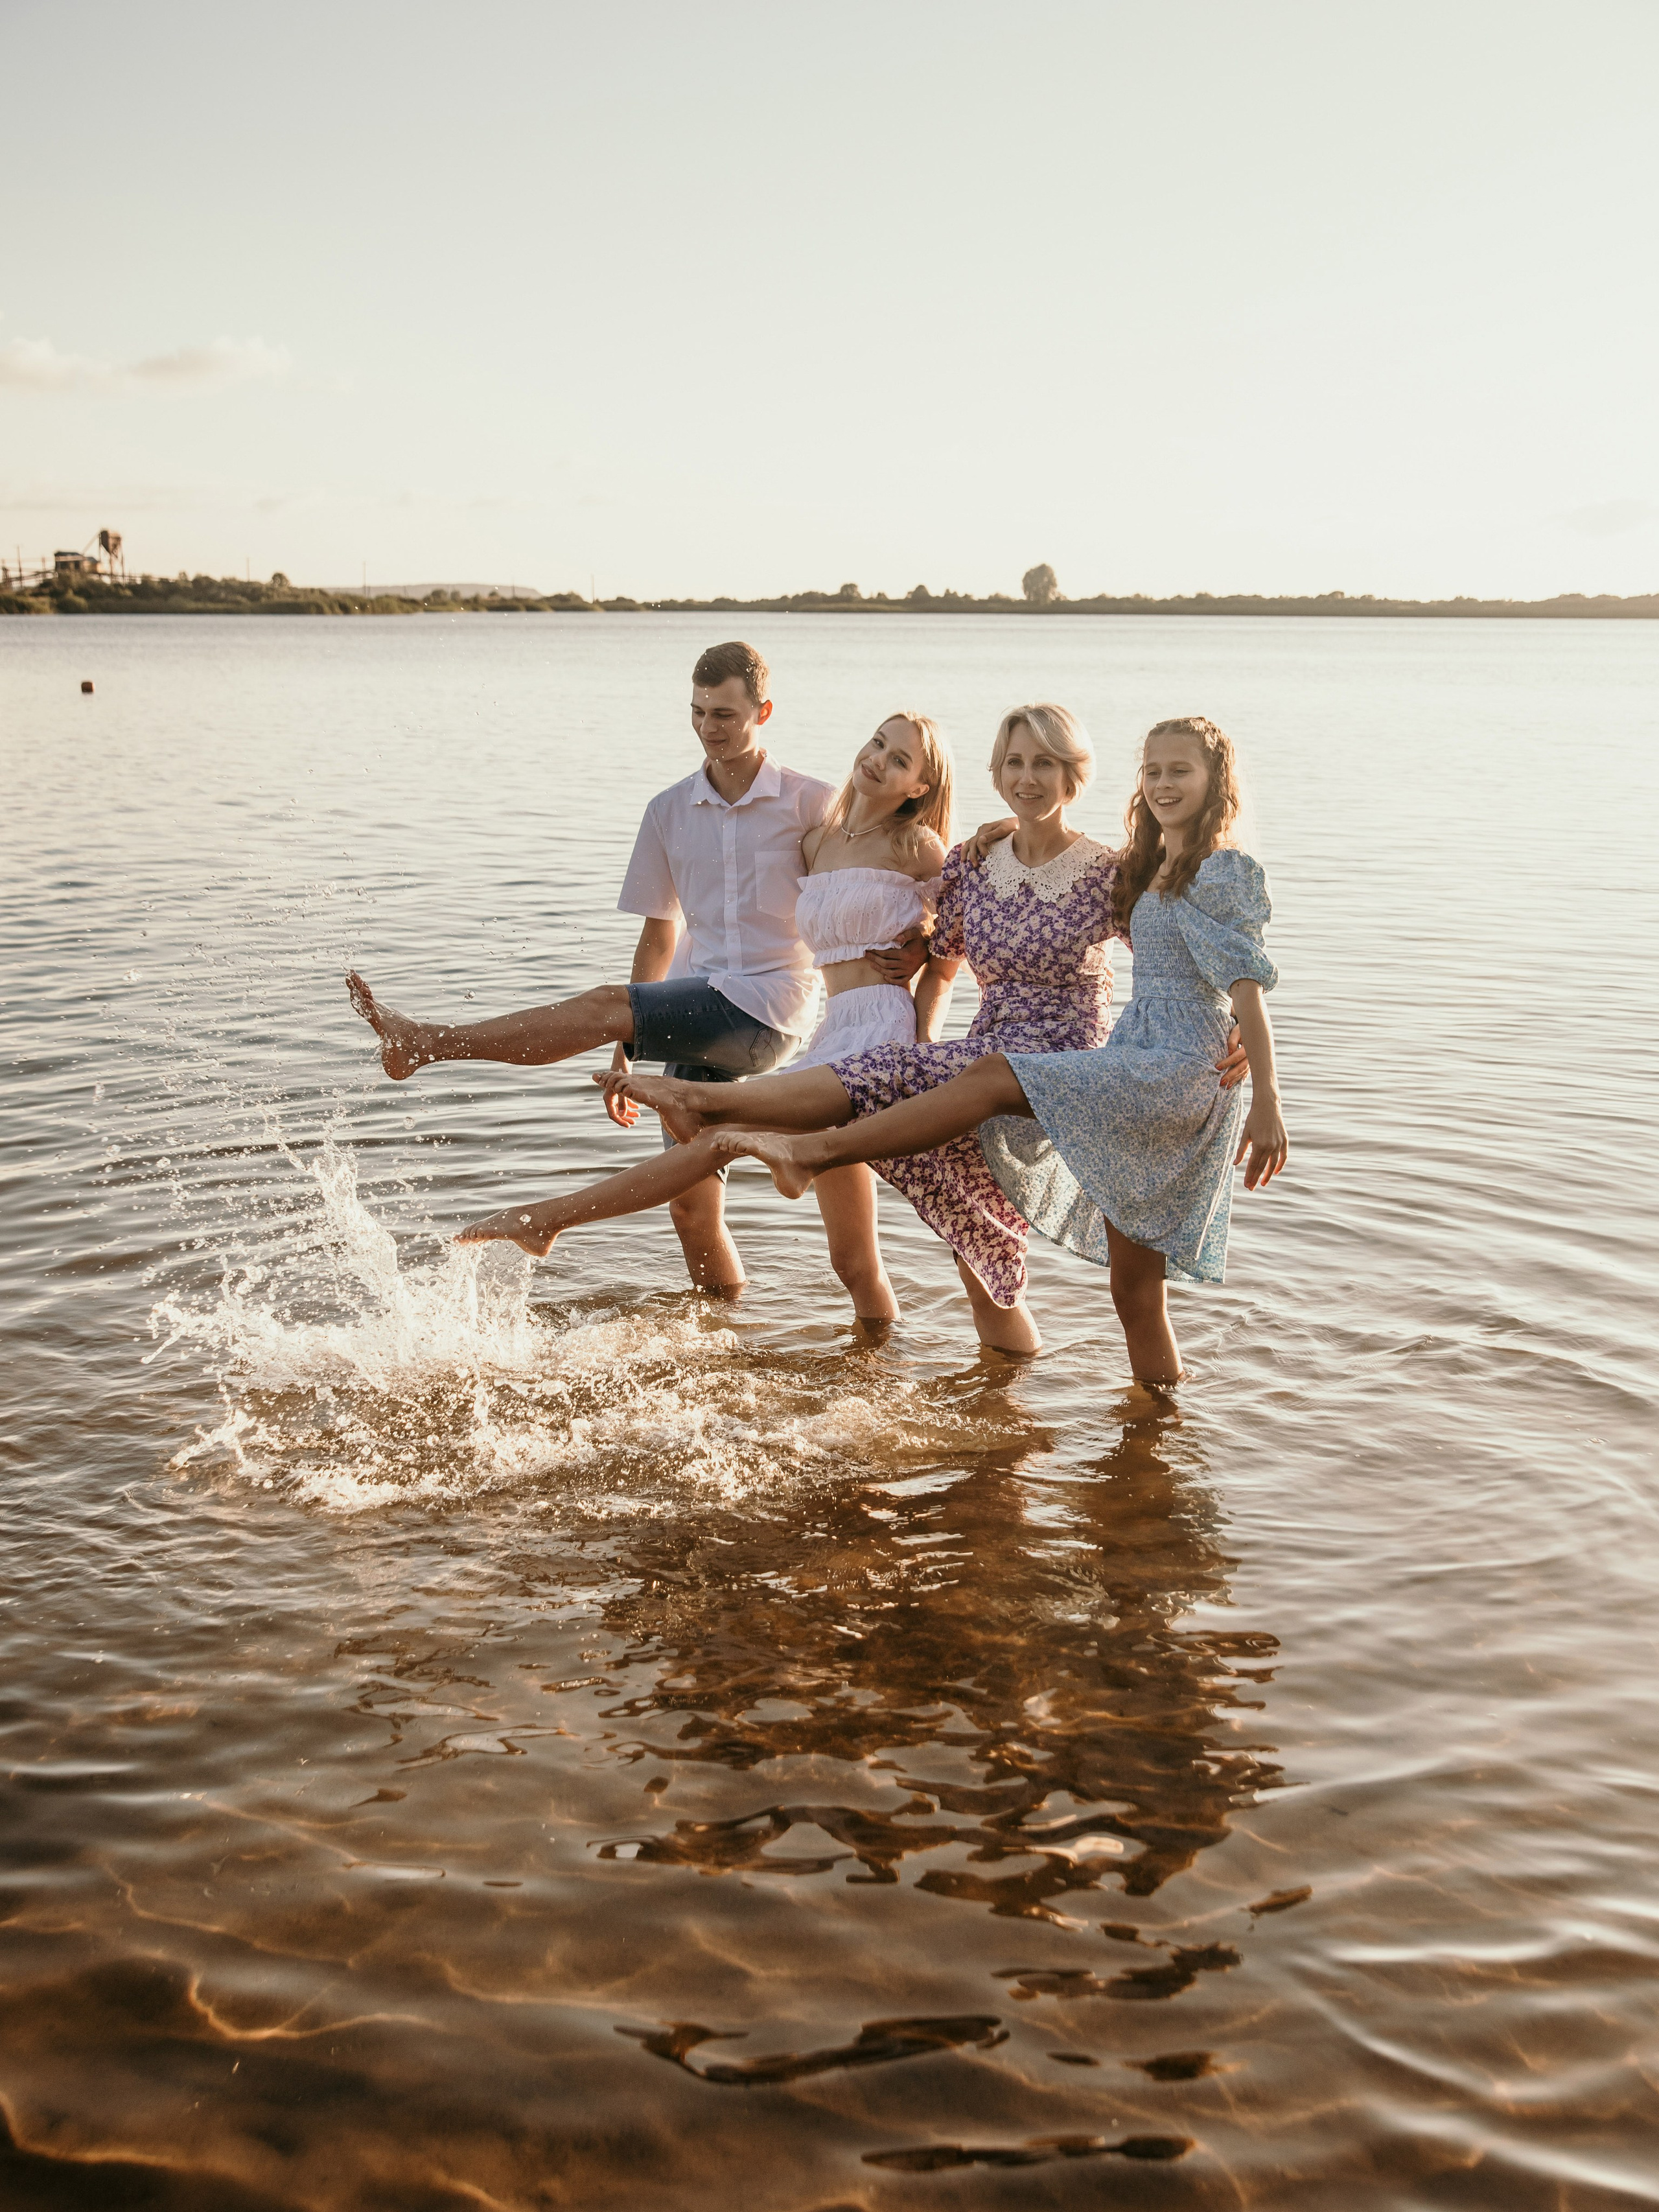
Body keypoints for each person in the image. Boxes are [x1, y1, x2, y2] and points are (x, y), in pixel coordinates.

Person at [459, 704, 1244, 1356]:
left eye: (1044, 765)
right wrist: (918, 983)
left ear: (1076, 777)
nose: (1027, 778)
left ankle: (700, 1124)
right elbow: (938, 950)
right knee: (981, 1260)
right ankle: (1001, 1399)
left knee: (755, 1144)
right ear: (996, 773)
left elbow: (1177, 954)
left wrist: (1228, 1036)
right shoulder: (973, 859)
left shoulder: (1102, 871)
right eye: (1013, 762)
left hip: (1031, 1068)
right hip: (960, 1061)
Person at [705, 716, 1287, 1387]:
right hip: (1126, 1051)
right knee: (1110, 1286)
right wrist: (958, 889)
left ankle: (790, 1138)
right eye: (1152, 771)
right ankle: (1141, 1436)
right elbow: (952, 941)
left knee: (974, 1074)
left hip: (1143, 1067)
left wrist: (1261, 1080)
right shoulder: (1146, 868)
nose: (1161, 783)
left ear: (1216, 781)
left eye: (1178, 771)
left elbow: (1243, 970)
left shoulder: (1182, 869)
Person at [346, 640, 918, 1296]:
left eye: (726, 714)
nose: (710, 728)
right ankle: (720, 1331)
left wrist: (915, 941)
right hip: (695, 1008)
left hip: (770, 1008)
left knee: (599, 1003)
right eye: (699, 712)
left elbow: (879, 864)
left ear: (763, 710)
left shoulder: (813, 802)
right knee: (690, 1208)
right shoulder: (667, 810)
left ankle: (425, 1044)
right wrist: (626, 1058)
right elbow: (657, 935)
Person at [454, 711, 954, 1321]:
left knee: (718, 1139)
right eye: (878, 742)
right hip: (833, 1033)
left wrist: (923, 988)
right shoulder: (817, 841)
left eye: (900, 759)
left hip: (879, 1035)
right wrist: (652, 1014)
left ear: (920, 788)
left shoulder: (920, 849)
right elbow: (722, 916)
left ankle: (555, 1214)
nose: (877, 758)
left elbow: (963, 943)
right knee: (852, 1263)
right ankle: (877, 1368)